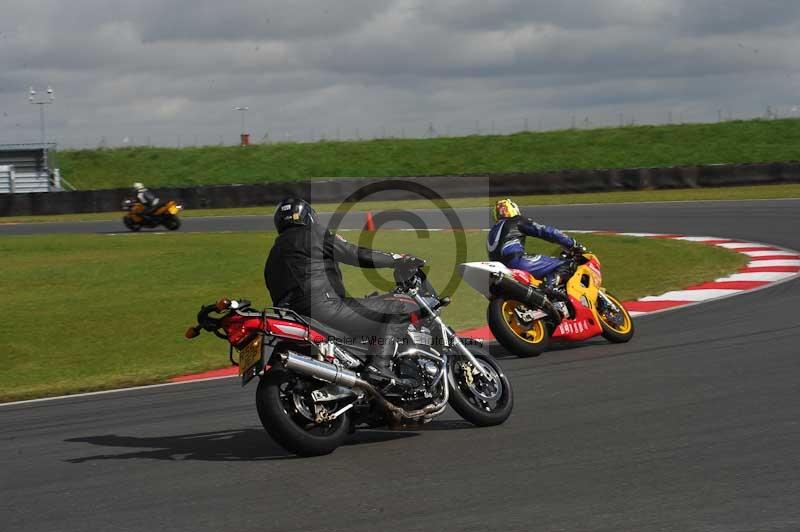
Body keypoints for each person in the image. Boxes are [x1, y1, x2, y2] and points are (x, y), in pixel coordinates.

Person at [264, 197, 424, 388]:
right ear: (309, 217)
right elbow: (354, 253)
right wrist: (397, 259)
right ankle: (380, 367)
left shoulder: (272, 256)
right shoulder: (312, 234)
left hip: (293, 315)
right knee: (401, 306)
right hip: (325, 308)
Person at [487, 199, 586, 311]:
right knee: (567, 264)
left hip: (500, 269)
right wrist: (573, 244)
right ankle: (550, 287)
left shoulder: (492, 231)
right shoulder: (516, 220)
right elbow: (546, 231)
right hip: (518, 262)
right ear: (513, 209)